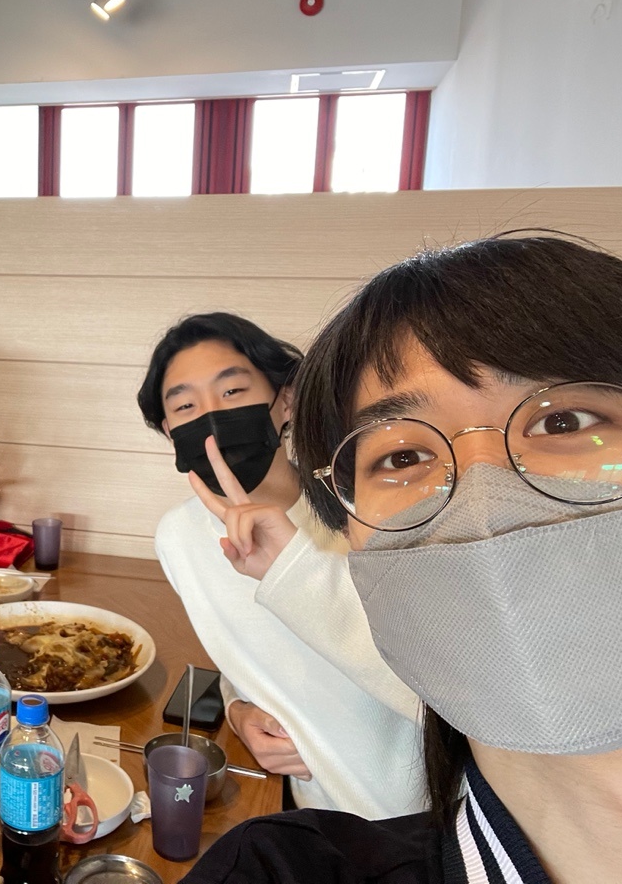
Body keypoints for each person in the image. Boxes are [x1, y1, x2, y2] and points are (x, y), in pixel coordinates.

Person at [186, 234, 622, 884]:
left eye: (563, 421)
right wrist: (239, 704)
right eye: (404, 456)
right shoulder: (278, 867)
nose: (483, 495)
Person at [138, 312, 422, 819]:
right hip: (312, 812)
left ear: (285, 400)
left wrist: (294, 569)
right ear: (169, 430)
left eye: (232, 392)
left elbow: (439, 690)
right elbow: (249, 654)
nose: (211, 418)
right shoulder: (178, 538)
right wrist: (238, 709)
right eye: (185, 406)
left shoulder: (367, 515)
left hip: (426, 812)